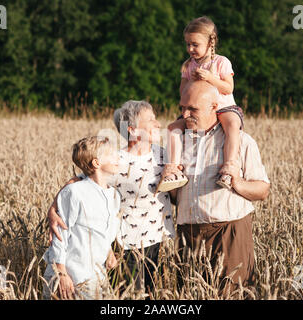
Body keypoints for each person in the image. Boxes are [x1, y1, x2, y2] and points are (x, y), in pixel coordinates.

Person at [47, 101, 175, 295]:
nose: (158, 124)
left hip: (157, 238)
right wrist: (53, 209)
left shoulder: (163, 155)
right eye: (151, 119)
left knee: (151, 292)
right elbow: (78, 182)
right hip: (128, 244)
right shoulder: (117, 161)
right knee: (130, 294)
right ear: (132, 130)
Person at [163, 80, 270, 295]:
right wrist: (169, 181)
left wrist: (237, 183)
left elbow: (262, 190)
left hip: (229, 233)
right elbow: (175, 197)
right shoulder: (178, 142)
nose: (184, 115)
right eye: (182, 108)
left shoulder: (241, 141)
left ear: (214, 107)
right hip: (188, 234)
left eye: (192, 109)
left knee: (232, 294)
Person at [158, 16, 244, 192]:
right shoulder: (188, 66)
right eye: (188, 44)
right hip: (196, 110)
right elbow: (183, 92)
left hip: (223, 106)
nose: (190, 49)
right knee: (172, 128)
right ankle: (173, 170)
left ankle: (229, 167)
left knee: (233, 125)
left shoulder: (221, 62)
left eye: (195, 44)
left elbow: (228, 88)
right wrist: (192, 83)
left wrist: (210, 79)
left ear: (210, 42)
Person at [42, 136, 121, 300]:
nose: (118, 157)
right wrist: (61, 273)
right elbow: (60, 234)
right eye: (111, 154)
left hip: (97, 275)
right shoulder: (75, 192)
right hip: (73, 275)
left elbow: (102, 230)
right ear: (96, 163)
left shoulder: (114, 195)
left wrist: (109, 251)